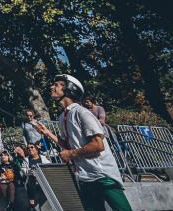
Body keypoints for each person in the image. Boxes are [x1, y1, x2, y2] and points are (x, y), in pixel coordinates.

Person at [33, 74, 132, 211]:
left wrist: (71, 154)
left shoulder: (82, 112)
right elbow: (69, 146)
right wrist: (47, 133)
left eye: (57, 85)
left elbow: (98, 145)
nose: (52, 87)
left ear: (70, 89)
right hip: (85, 178)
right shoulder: (62, 117)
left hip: (102, 176)